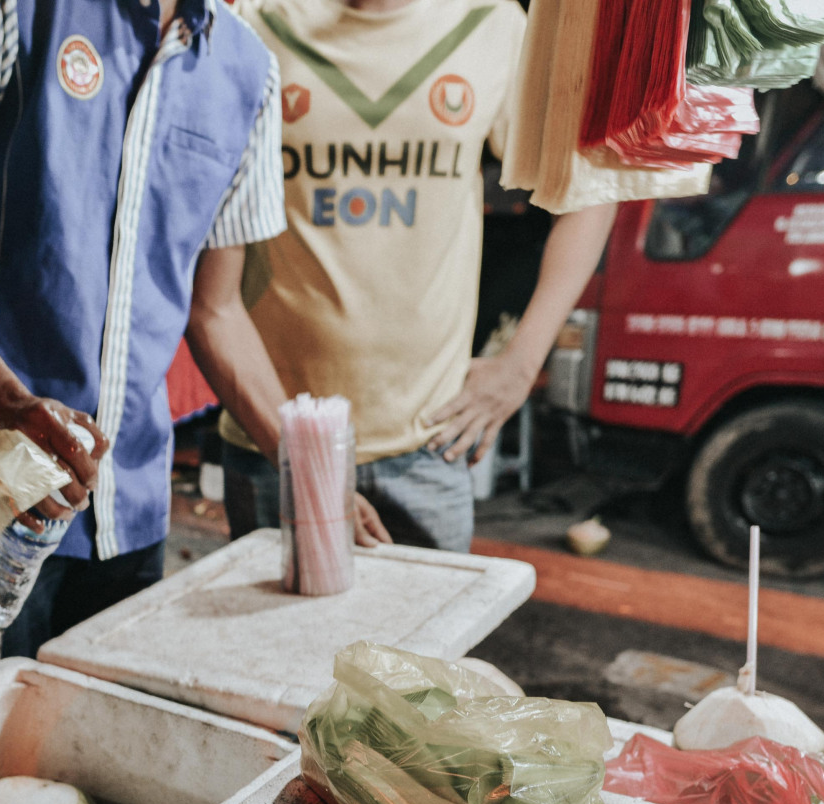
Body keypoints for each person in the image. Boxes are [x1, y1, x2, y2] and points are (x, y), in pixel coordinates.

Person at [0, 0, 386, 683]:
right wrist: (8, 403)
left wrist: (311, 474)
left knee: (103, 756)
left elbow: (217, 311)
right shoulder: (5, 9)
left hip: (133, 506)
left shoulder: (247, 69)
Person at [220, 0, 617, 552]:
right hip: (274, 438)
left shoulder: (492, 25)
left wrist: (521, 366)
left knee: (422, 639)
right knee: (277, 638)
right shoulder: (256, 23)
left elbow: (589, 192)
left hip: (428, 444)